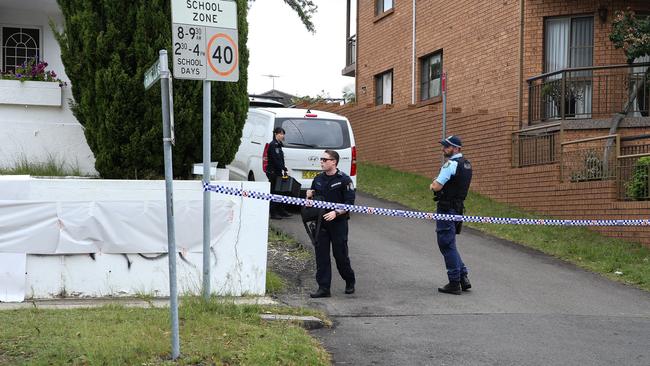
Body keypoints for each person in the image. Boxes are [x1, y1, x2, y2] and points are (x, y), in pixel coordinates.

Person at [306, 150, 356, 298]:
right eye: (321, 159)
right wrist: (308, 197)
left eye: (325, 159)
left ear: (334, 162)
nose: (321, 162)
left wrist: (336, 212)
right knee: (321, 256)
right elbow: (311, 202)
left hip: (338, 223)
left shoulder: (345, 180)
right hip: (321, 223)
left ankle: (349, 280)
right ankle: (323, 288)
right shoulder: (318, 179)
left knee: (340, 255)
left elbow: (350, 203)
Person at [429, 135, 472, 295]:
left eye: (446, 147)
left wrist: (432, 185)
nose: (443, 149)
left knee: (446, 244)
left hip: (447, 209)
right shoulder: (466, 164)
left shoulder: (451, 164)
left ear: (456, 149)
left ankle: (454, 282)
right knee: (451, 243)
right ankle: (463, 277)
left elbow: (437, 186)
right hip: (458, 208)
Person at [266, 127, 291, 219]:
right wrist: (283, 168)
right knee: (274, 191)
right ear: (275, 134)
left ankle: (281, 210)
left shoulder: (279, 144)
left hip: (278, 171)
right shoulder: (273, 145)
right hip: (273, 172)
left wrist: (283, 168)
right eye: (280, 134)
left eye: (283, 134)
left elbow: (280, 158)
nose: (282, 136)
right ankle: (273, 213)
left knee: (281, 191)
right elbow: (276, 159)